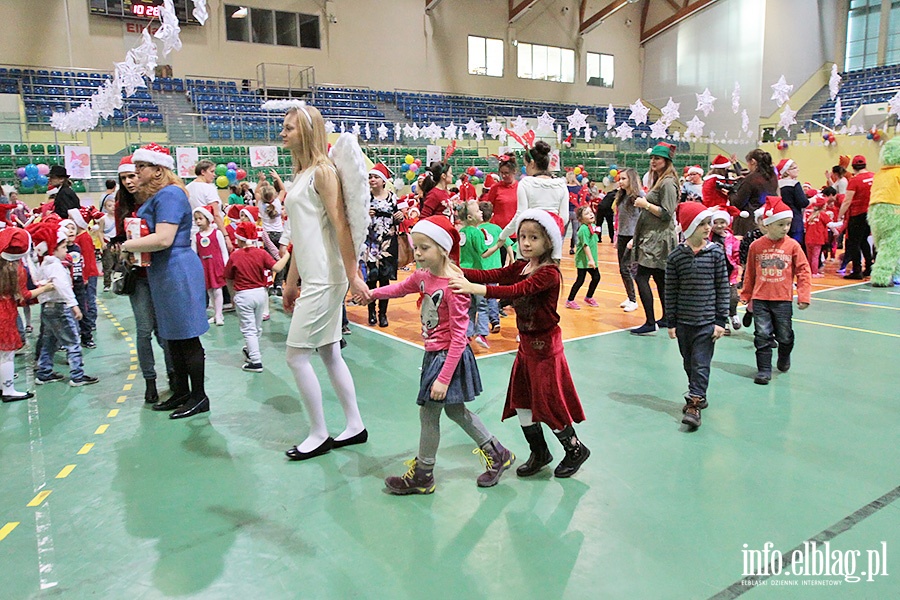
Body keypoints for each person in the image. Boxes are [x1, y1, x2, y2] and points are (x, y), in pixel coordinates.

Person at [368, 216, 514, 494]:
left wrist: (444, 378)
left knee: (429, 413)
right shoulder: (423, 276)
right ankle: (498, 454)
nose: (418, 253)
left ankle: (424, 474)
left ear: (443, 249)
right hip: (434, 354)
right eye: (416, 247)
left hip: (449, 357)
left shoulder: (455, 285)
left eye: (424, 248)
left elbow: (460, 337)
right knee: (456, 411)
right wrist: (372, 294)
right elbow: (400, 289)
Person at [450, 209, 589, 479]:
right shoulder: (523, 266)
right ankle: (540, 452)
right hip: (526, 346)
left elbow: (516, 291)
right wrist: (457, 271)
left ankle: (575, 449)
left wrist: (475, 289)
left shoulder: (548, 273)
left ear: (549, 241)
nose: (525, 242)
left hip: (546, 349)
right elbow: (495, 275)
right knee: (522, 401)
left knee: (548, 404)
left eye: (533, 237)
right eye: (523, 236)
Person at [279, 103, 369, 460]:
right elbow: (301, 237)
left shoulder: (322, 172)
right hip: (314, 275)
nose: (282, 133)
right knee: (330, 352)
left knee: (295, 357)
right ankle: (355, 425)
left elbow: (342, 225)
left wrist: (352, 274)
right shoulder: (301, 174)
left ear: (307, 130)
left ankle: (319, 433)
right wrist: (289, 281)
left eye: (289, 128)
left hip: (326, 279)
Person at [121, 143, 210, 419]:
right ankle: (182, 391)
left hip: (176, 269)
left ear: (158, 170)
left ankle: (198, 396)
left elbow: (163, 238)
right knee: (172, 336)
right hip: (164, 270)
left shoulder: (170, 194)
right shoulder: (161, 195)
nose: (136, 173)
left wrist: (128, 245)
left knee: (186, 336)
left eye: (141, 168)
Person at [111, 156, 176, 405]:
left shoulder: (158, 198)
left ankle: (173, 375)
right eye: (124, 178)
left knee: (165, 330)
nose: (129, 181)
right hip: (137, 277)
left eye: (133, 175)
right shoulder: (122, 204)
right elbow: (117, 237)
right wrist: (121, 249)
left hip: (160, 273)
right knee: (144, 330)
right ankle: (150, 380)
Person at [665, 202, 729, 429]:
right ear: (689, 226)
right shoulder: (675, 258)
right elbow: (670, 291)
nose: (707, 227)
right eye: (701, 223)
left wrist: (721, 320)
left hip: (706, 323)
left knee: (701, 363)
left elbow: (722, 287)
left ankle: (693, 403)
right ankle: (698, 391)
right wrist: (670, 322)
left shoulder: (716, 254)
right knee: (689, 362)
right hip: (683, 322)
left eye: (707, 223)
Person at [740, 196, 812, 385]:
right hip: (761, 299)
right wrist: (746, 294)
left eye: (788, 224)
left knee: (785, 335)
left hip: (783, 300)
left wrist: (803, 295)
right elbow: (750, 272)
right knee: (762, 335)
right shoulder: (756, 246)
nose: (785, 228)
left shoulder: (792, 246)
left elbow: (803, 270)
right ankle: (764, 369)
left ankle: (784, 353)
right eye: (780, 224)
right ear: (768, 224)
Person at [31, 220, 99, 387]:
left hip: (48, 308)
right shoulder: (56, 266)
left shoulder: (43, 264)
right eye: (62, 247)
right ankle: (77, 375)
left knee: (49, 341)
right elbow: (63, 287)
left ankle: (44, 372)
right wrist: (74, 305)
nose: (66, 250)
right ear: (53, 249)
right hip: (61, 307)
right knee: (73, 342)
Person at [223, 222, 287, 373]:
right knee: (256, 327)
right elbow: (277, 267)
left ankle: (256, 360)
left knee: (248, 329)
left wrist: (233, 295)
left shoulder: (235, 256)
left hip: (243, 295)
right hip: (260, 294)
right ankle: (250, 350)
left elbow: (228, 278)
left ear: (239, 239)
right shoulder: (261, 253)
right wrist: (287, 255)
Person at [629, 143, 679, 335]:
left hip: (658, 239)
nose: (653, 162)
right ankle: (667, 317)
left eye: (657, 158)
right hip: (655, 236)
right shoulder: (661, 180)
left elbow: (667, 213)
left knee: (641, 277)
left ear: (666, 161)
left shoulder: (667, 183)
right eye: (652, 158)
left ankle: (650, 322)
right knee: (660, 278)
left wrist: (645, 204)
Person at [0, 228, 54, 402]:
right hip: (5, 313)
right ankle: (8, 389)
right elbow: (24, 296)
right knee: (6, 353)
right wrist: (45, 288)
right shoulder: (16, 269)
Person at [364, 163, 401, 327]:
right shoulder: (365, 197)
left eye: (375, 177)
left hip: (387, 243)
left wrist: (400, 216)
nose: (372, 179)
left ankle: (383, 314)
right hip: (370, 243)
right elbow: (355, 217)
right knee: (371, 279)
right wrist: (365, 214)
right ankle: (371, 312)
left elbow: (397, 216)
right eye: (370, 177)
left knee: (384, 280)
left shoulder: (392, 197)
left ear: (384, 181)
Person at [457, 200, 491, 348]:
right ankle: (482, 334)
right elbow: (484, 253)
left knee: (468, 305)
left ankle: (468, 334)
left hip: (463, 272)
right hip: (476, 274)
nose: (481, 213)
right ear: (470, 217)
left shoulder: (460, 233)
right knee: (482, 304)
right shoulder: (476, 232)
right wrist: (499, 244)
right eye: (477, 211)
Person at [68, 207, 102, 348]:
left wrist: (86, 276)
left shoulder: (84, 237)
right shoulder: (76, 238)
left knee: (89, 301)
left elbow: (88, 258)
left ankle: (91, 324)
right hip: (82, 275)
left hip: (88, 274)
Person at [838, 155, 874, 280]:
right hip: (871, 213)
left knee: (854, 243)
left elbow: (847, 200)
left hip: (857, 214)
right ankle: (869, 267)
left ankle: (857, 270)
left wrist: (840, 215)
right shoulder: (873, 177)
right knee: (864, 240)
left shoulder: (855, 180)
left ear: (853, 167)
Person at [192, 205, 229, 326]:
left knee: (217, 290)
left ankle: (219, 314)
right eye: (196, 219)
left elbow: (223, 250)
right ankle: (215, 313)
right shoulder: (196, 237)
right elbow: (194, 253)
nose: (198, 221)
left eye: (200, 218)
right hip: (204, 266)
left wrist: (226, 265)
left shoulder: (217, 233)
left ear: (207, 218)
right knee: (209, 291)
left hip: (216, 265)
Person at [709, 205, 743, 332]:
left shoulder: (731, 238)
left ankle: (733, 313)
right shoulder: (709, 237)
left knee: (733, 297)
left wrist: (739, 264)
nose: (719, 226)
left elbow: (736, 253)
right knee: (719, 299)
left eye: (722, 222)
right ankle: (724, 321)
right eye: (715, 223)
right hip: (714, 274)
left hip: (730, 274)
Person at [612, 168, 641, 312]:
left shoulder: (639, 196)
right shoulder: (622, 196)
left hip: (633, 237)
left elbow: (644, 219)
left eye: (624, 179)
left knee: (627, 268)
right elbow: (620, 218)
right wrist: (617, 236)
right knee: (622, 268)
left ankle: (634, 300)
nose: (621, 181)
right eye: (620, 179)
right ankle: (630, 296)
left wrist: (635, 239)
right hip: (623, 235)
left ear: (631, 179)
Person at [730, 149, 777, 236]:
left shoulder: (751, 179)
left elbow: (738, 203)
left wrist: (731, 193)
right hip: (767, 220)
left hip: (749, 223)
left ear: (753, 162)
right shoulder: (773, 176)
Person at [482, 154, 519, 265]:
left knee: (515, 264)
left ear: (514, 172)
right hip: (498, 232)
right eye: (501, 173)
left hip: (515, 232)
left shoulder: (520, 187)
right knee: (499, 263)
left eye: (506, 173)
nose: (503, 176)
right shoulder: (495, 188)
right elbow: (488, 208)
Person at [566, 205, 600, 310]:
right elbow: (586, 245)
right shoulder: (583, 229)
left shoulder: (591, 226)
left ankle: (589, 297)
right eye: (586, 213)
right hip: (583, 260)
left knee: (596, 277)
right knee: (580, 280)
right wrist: (590, 260)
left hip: (591, 260)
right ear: (580, 219)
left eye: (591, 212)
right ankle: (570, 300)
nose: (590, 214)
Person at [477, 201, 504, 333]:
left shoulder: (475, 230)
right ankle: (495, 320)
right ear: (492, 215)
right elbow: (508, 244)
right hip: (495, 268)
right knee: (492, 295)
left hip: (480, 268)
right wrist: (509, 259)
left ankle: (478, 324)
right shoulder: (497, 228)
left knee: (480, 296)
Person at [775, 159, 810, 244]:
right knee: (795, 246)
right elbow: (803, 203)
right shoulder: (794, 184)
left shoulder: (777, 184)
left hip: (781, 218)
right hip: (795, 220)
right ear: (787, 171)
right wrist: (812, 200)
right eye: (795, 168)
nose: (798, 170)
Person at [804, 196, 832, 278]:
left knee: (809, 257)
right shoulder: (823, 215)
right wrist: (842, 223)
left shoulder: (811, 216)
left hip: (808, 239)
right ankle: (814, 272)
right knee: (815, 257)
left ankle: (809, 271)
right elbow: (830, 224)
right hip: (817, 239)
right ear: (823, 206)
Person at [99, 194, 119, 292]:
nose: (112, 208)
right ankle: (107, 283)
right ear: (105, 208)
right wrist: (102, 242)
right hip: (108, 243)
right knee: (108, 265)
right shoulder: (103, 219)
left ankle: (119, 282)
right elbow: (100, 231)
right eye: (109, 206)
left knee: (119, 264)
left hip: (118, 243)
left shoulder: (119, 217)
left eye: (114, 205)